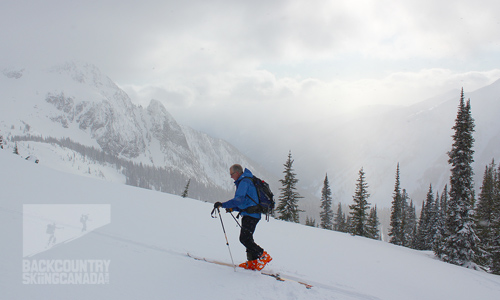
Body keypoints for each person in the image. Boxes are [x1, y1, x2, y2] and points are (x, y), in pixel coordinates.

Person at [214, 164, 272, 270]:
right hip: (250, 214)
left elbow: (239, 200)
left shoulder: (244, 182)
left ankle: (263, 255)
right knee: (248, 238)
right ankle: (252, 262)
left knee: (244, 238)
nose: (231, 177)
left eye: (231, 174)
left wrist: (223, 204)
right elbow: (245, 202)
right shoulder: (246, 180)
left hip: (251, 215)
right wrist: (233, 208)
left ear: (237, 173)